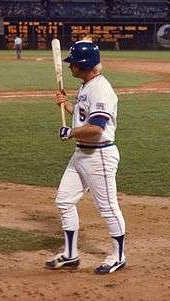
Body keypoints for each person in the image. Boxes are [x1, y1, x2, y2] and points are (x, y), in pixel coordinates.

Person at [45, 40, 126, 275]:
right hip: (82, 154)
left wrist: (69, 132)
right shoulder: (87, 85)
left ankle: (118, 256)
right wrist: (68, 105)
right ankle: (71, 255)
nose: (70, 68)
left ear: (84, 65)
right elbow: (84, 116)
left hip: (98, 155)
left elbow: (97, 128)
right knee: (64, 201)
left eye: (73, 64)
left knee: (108, 208)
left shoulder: (101, 89)